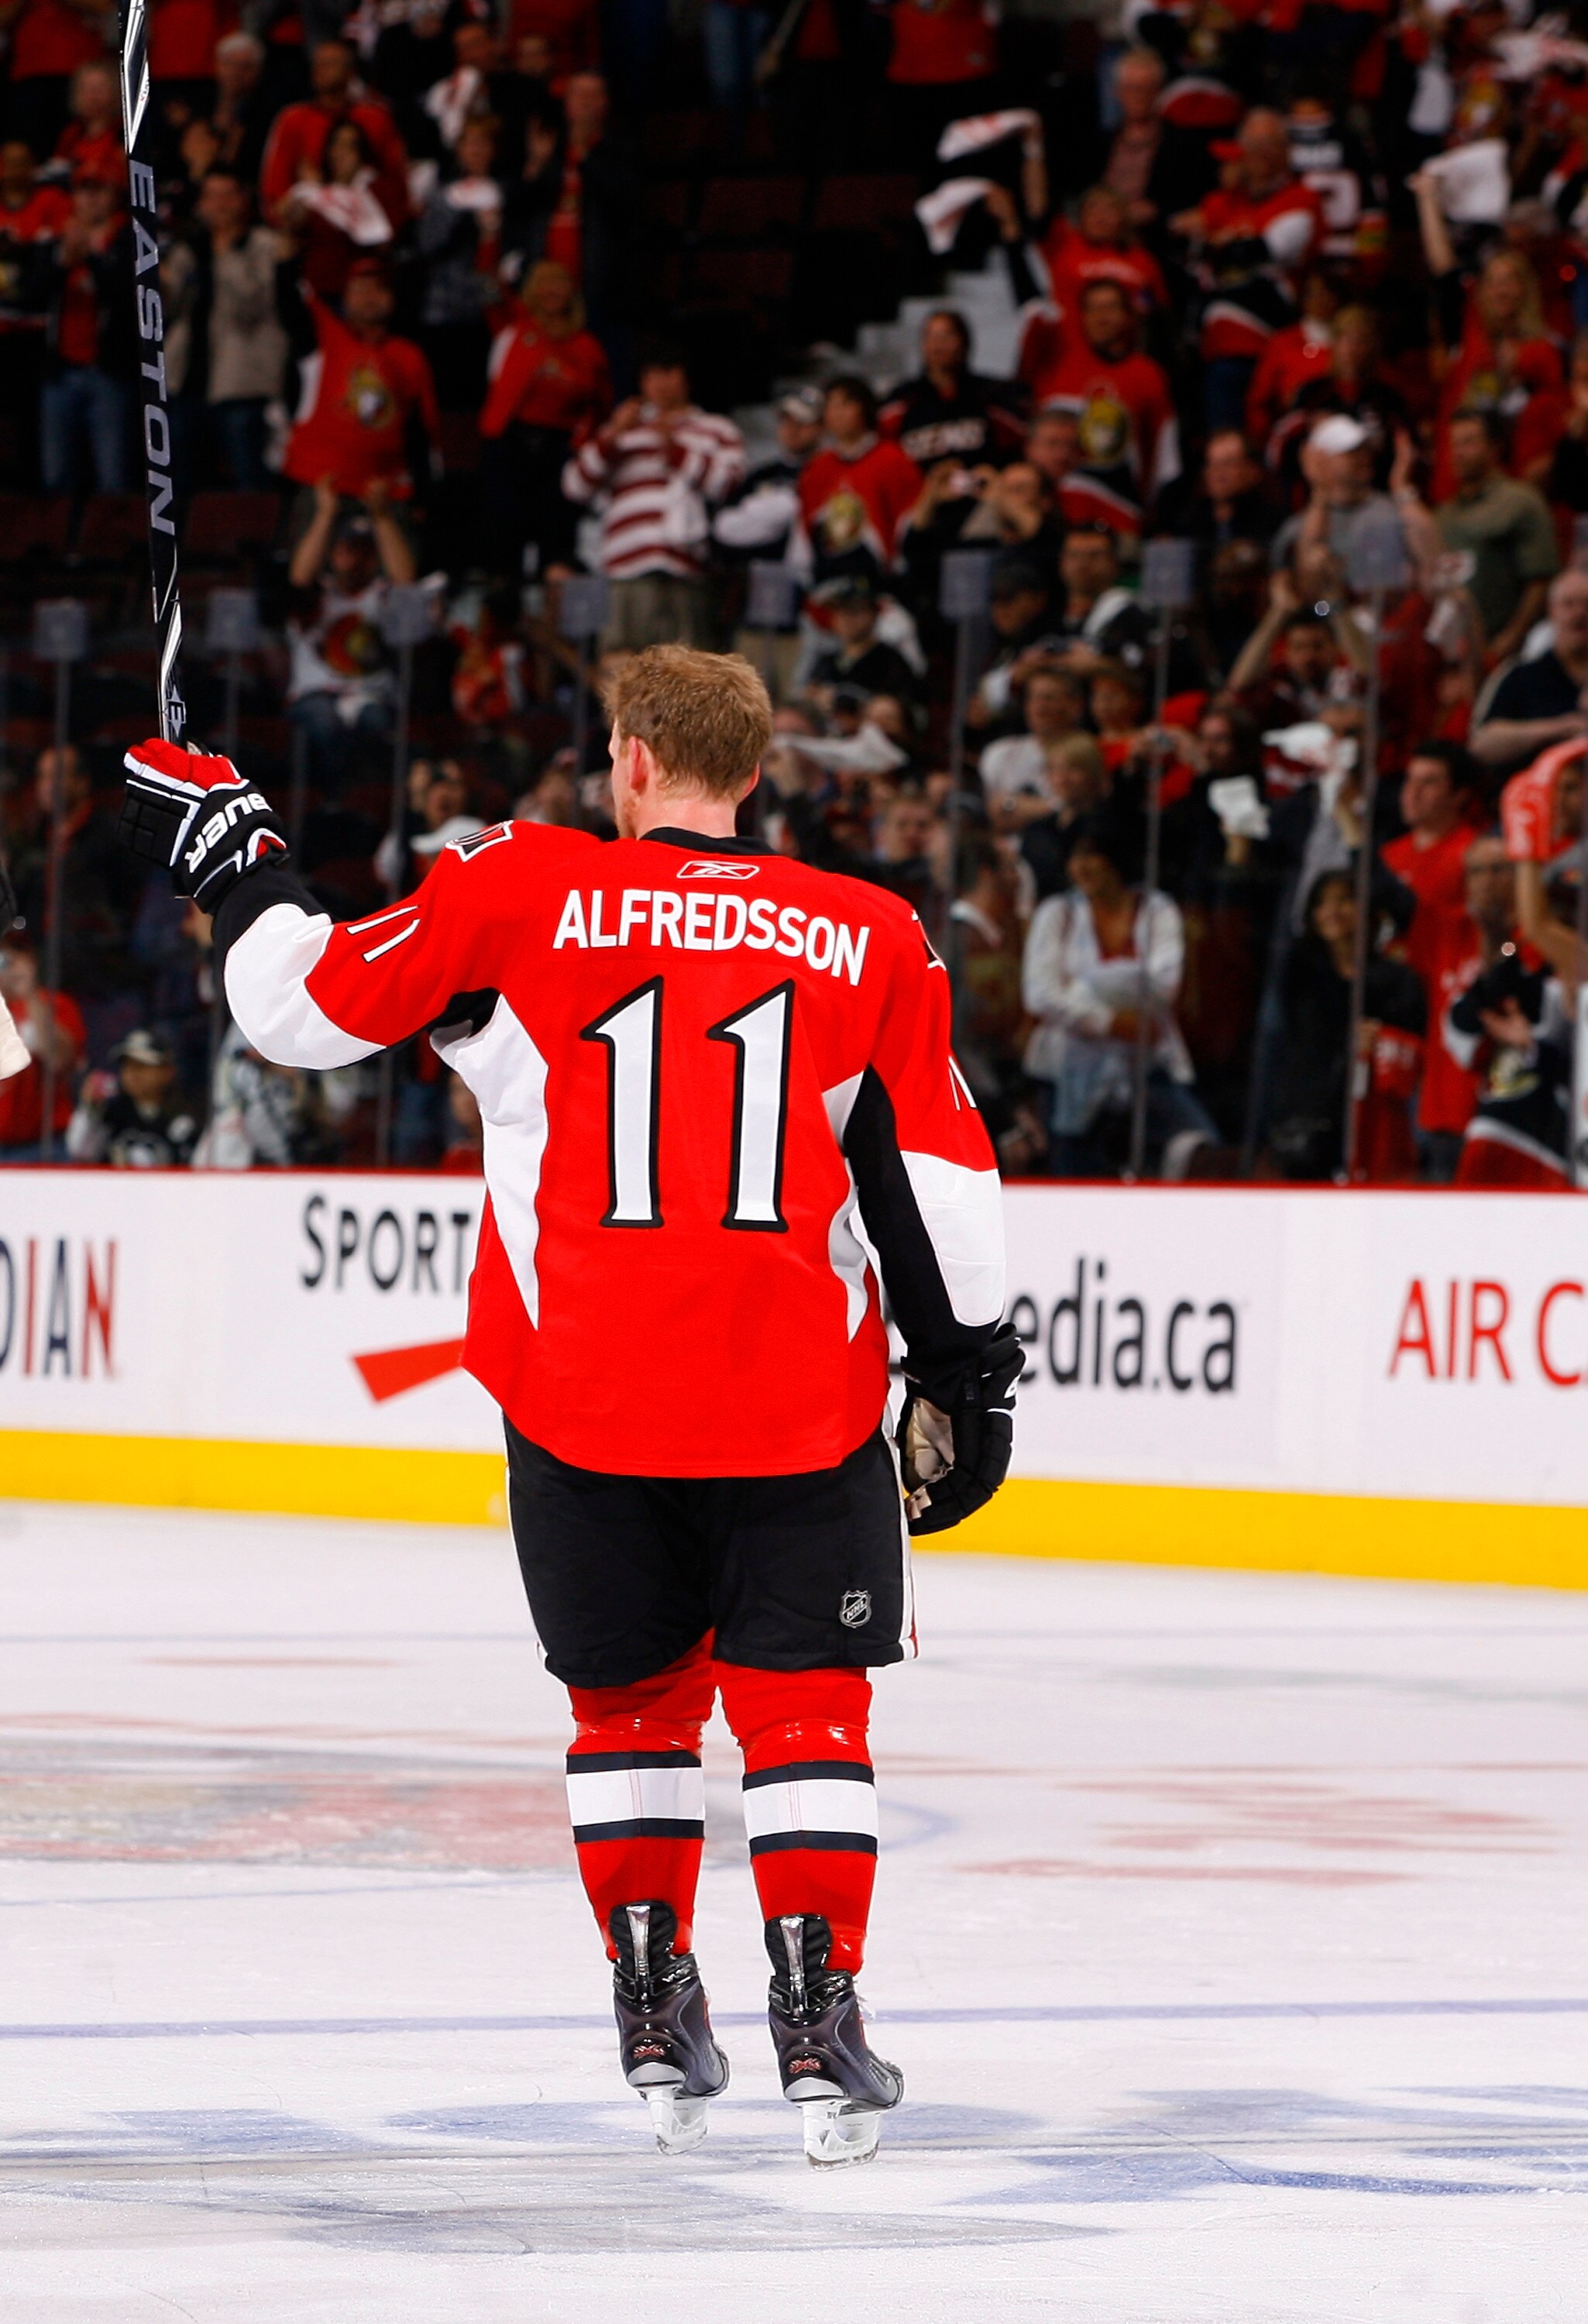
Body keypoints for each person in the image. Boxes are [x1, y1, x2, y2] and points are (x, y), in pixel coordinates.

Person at [116, 642, 1019, 2167]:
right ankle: (817, 2015)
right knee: (807, 1714)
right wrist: (968, 1376)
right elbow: (931, 1180)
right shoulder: (869, 931)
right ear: (754, 766)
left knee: (626, 1711)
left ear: (629, 760)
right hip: (793, 1402)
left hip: (580, 1402)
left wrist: (243, 859)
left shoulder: (519, 888)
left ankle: (653, 2002)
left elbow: (292, 1012)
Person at [1021, 806, 1214, 1175]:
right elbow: (1040, 996)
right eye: (1075, 857)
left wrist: (1081, 989)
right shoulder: (1056, 914)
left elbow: (1163, 987)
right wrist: (1111, 1022)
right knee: (1073, 1176)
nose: (1082, 867)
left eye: (1092, 854)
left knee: (1199, 1147)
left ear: (1115, 856)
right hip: (1066, 1074)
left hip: (1145, 1065)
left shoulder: (1157, 909)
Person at [560, 344, 745, 650]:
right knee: (625, 672)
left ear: (686, 378)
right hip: (625, 570)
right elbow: (575, 486)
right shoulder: (622, 433)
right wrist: (613, 436)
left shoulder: (715, 429)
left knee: (688, 676)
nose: (661, 382)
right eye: (652, 375)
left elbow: (727, 483)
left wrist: (676, 450)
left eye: (669, 373)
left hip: (687, 570)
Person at [1263, 867, 1425, 1183]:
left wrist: (1382, 1040)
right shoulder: (1300, 973)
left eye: (1344, 900)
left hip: (1377, 1120)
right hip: (1310, 1119)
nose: (1332, 912)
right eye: (1322, 904)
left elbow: (1416, 1044)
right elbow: (1299, 1041)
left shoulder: (1397, 979)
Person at [479, 256, 613, 578]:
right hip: (509, 444)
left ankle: (555, 621)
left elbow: (601, 404)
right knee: (503, 536)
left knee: (556, 541)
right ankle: (500, 618)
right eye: (543, 282)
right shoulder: (514, 328)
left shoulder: (587, 347)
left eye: (559, 282)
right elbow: (486, 283)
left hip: (559, 450)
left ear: (573, 292)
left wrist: (580, 444)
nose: (551, 290)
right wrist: (489, 232)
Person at [279, 257, 442, 511]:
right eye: (359, 290)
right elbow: (289, 301)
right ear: (344, 299)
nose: (369, 297)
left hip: (385, 491)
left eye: (379, 289)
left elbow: (421, 433)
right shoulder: (325, 338)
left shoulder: (409, 356)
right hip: (322, 486)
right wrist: (286, 254)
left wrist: (422, 495)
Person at [1432, 411, 1558, 671]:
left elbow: (1541, 579)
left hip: (1513, 649)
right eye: (1454, 444)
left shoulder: (1520, 502)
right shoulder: (1443, 515)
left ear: (1494, 448)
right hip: (1457, 656)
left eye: (1469, 442)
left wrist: (1514, 635)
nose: (1458, 452)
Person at [796, 374, 923, 586]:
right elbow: (803, 534)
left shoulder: (893, 460)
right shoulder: (817, 468)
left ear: (865, 409)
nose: (837, 413)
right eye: (831, 406)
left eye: (846, 404)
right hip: (829, 585)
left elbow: (909, 524)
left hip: (882, 585)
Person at [1471, 566, 1588, 775]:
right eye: (1569, 604)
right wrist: (1561, 728)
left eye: (1587, 604)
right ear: (1551, 610)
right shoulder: (1520, 676)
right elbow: (1482, 743)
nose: (1580, 613)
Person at [878, 308, 1024, 473]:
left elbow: (1020, 444)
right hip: (923, 496)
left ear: (964, 342)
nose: (938, 345)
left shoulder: (992, 394)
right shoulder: (902, 401)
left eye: (947, 336)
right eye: (930, 336)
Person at [65, 1026, 199, 1167]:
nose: (133, 1074)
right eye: (127, 1066)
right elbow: (79, 1151)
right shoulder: (111, 1114)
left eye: (142, 1066)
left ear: (168, 1071)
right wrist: (89, 1108)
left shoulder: (185, 1118)